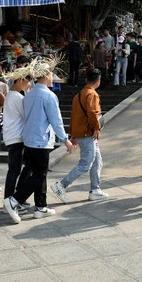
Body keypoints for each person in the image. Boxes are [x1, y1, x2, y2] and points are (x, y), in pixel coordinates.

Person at [3, 58, 74, 224]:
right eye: (50, 74)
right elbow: (56, 121)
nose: (52, 77)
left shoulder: (28, 95)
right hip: (41, 141)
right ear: (46, 75)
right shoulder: (49, 96)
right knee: (40, 174)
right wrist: (65, 139)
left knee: (38, 173)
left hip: (28, 140)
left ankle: (41, 206)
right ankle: (15, 200)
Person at [51, 68, 108, 204]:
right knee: (85, 164)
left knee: (97, 162)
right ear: (98, 82)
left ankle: (95, 189)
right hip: (88, 133)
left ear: (86, 80)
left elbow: (74, 116)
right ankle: (61, 185)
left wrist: (73, 135)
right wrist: (96, 128)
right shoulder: (92, 94)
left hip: (80, 132)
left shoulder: (78, 95)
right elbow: (93, 113)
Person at [1, 64, 34, 211]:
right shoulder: (17, 97)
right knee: (14, 171)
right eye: (28, 82)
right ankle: (9, 201)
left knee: (21, 168)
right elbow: (26, 115)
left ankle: (17, 197)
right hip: (17, 138)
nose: (29, 85)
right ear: (20, 80)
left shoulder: (11, 95)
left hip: (13, 136)